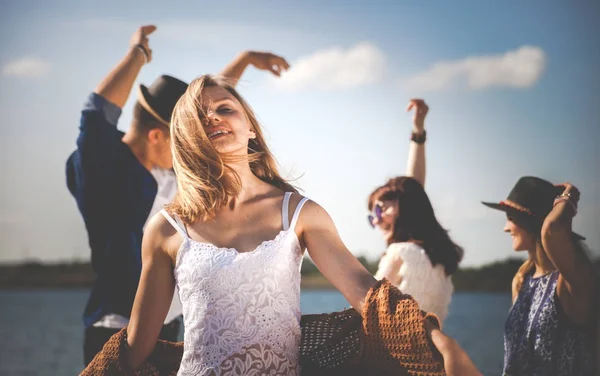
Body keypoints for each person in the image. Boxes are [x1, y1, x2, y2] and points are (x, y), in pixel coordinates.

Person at [65, 24, 290, 366]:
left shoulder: (170, 172)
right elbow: (96, 115)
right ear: (157, 136)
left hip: (171, 330)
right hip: (117, 333)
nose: (194, 149)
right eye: (183, 140)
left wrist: (243, 61)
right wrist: (137, 55)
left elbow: (210, 104)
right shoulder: (103, 172)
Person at [482, 176, 598, 375]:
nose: (505, 228)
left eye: (510, 218)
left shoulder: (570, 282)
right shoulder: (521, 281)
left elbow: (551, 230)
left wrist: (569, 196)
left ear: (530, 222)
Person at [368, 99, 463, 323]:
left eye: (381, 210)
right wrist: (418, 133)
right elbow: (414, 190)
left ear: (405, 208)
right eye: (373, 216)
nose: (377, 221)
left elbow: (369, 308)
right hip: (430, 355)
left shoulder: (401, 252)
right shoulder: (438, 259)